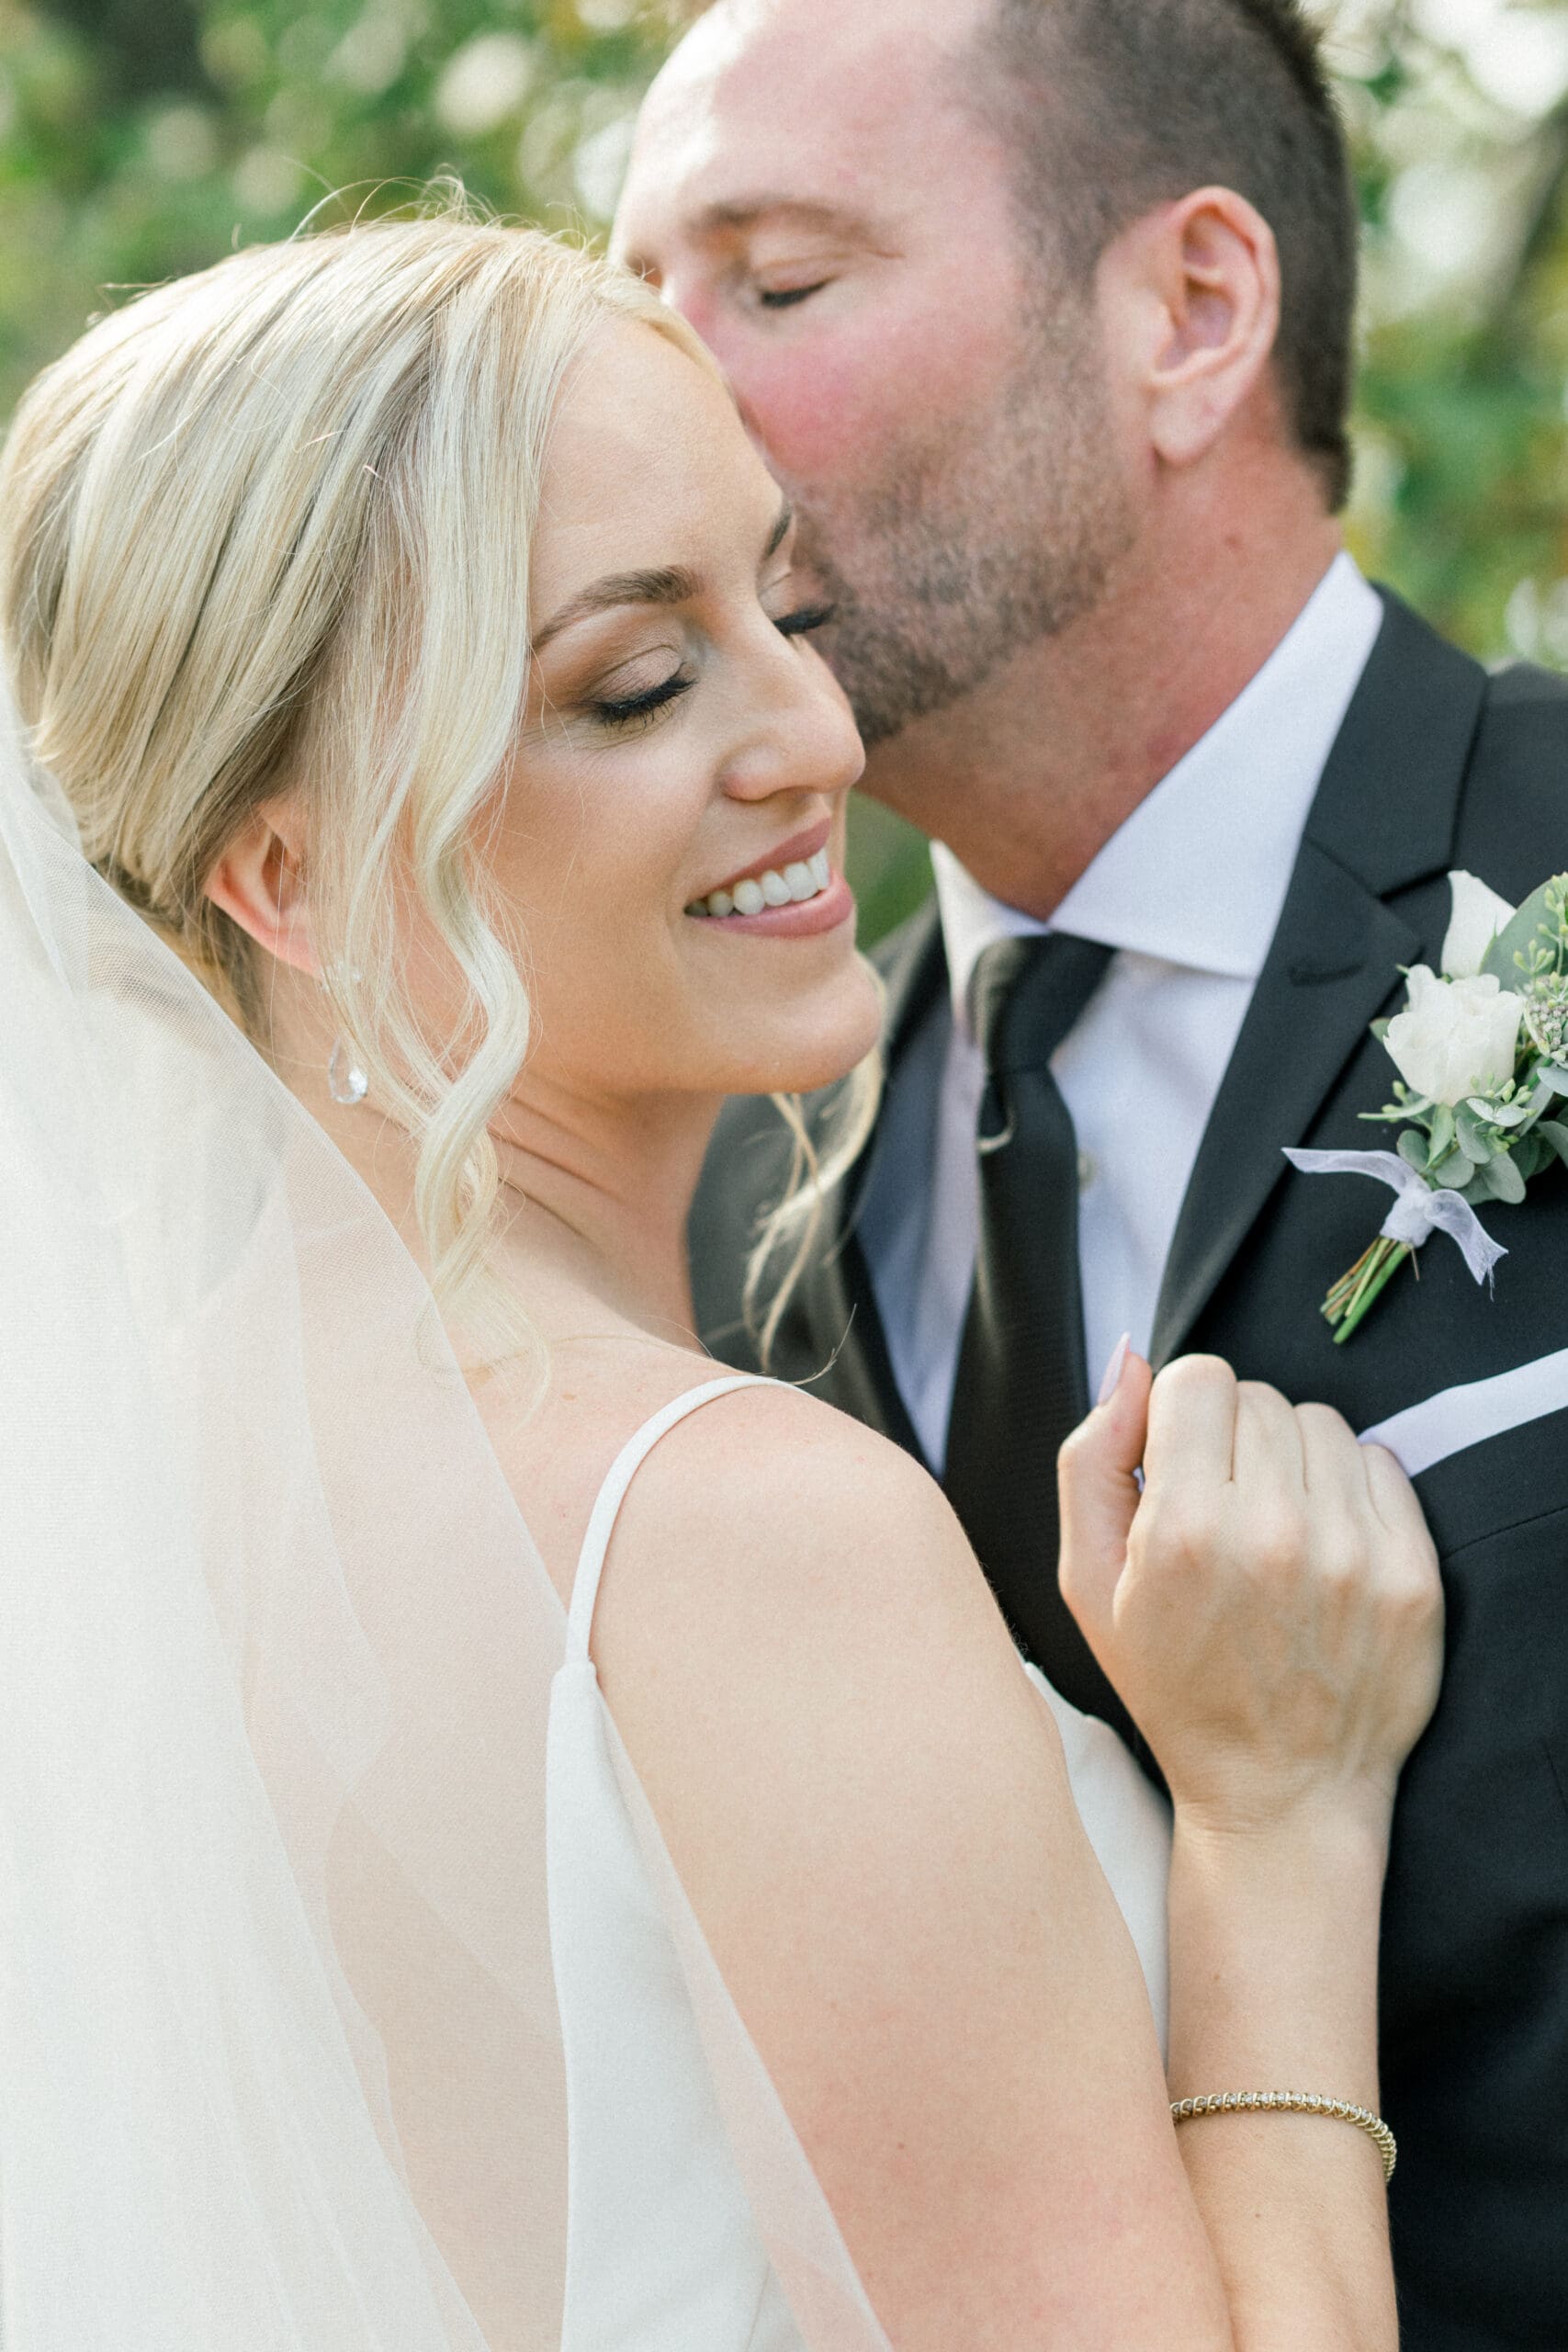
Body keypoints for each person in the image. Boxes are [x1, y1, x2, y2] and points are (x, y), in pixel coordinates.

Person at [0, 209, 1442, 2351]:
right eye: (638, 682)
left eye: (783, 601)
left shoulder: (94, 1512)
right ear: (284, 876)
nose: (818, 736)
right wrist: (1277, 1828)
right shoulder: (723, 1532)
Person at [615, 5, 1568, 2340]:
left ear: (1188, 313)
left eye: (775, 279)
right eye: (635, 303)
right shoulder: (695, 1176)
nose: (653, 404)